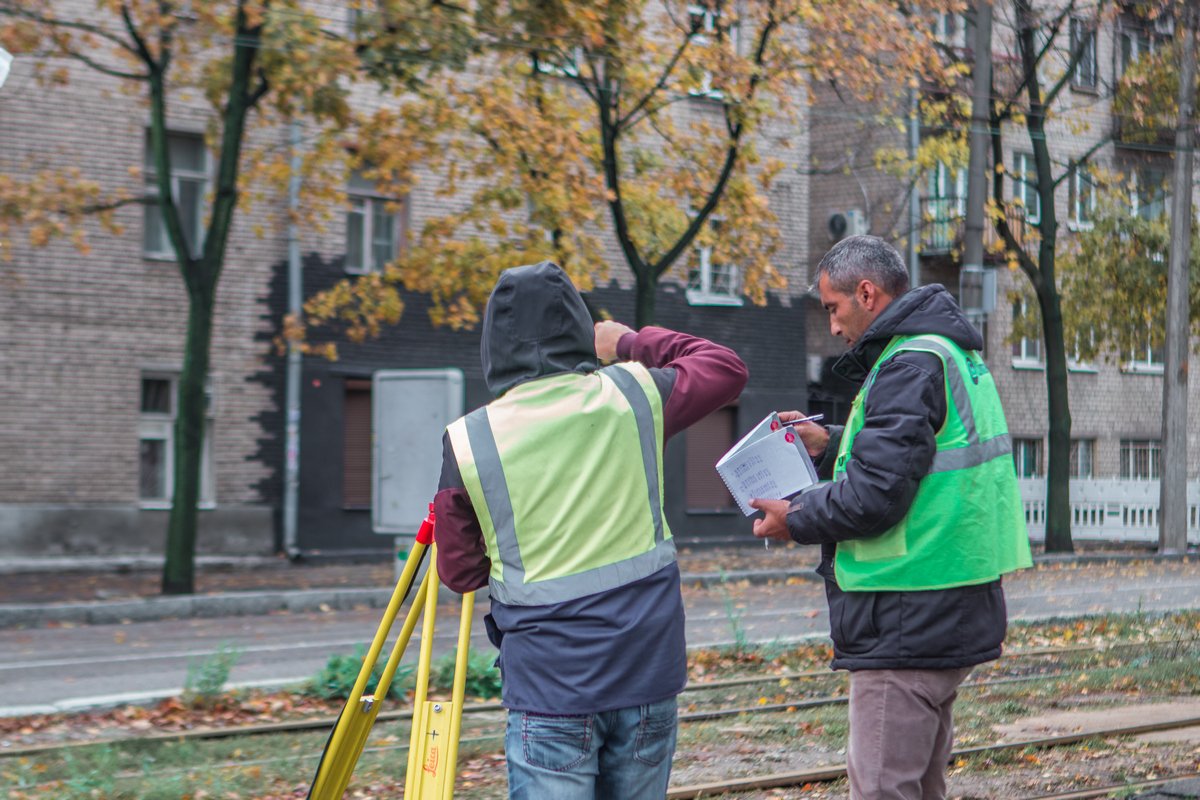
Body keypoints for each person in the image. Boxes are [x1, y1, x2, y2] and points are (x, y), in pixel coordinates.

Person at [434, 260, 748, 800]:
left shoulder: (469, 440)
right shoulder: (633, 394)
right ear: (578, 326)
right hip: (646, 674)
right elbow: (725, 367)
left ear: (494, 343)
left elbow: (460, 572)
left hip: (548, 687)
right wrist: (626, 341)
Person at [750, 235, 1032, 800]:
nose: (832, 326)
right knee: (921, 786)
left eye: (833, 308)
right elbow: (913, 460)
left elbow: (874, 495)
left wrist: (795, 516)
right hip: (948, 600)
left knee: (882, 788)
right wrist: (830, 443)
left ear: (866, 293)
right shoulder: (945, 351)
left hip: (906, 613)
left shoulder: (908, 365)